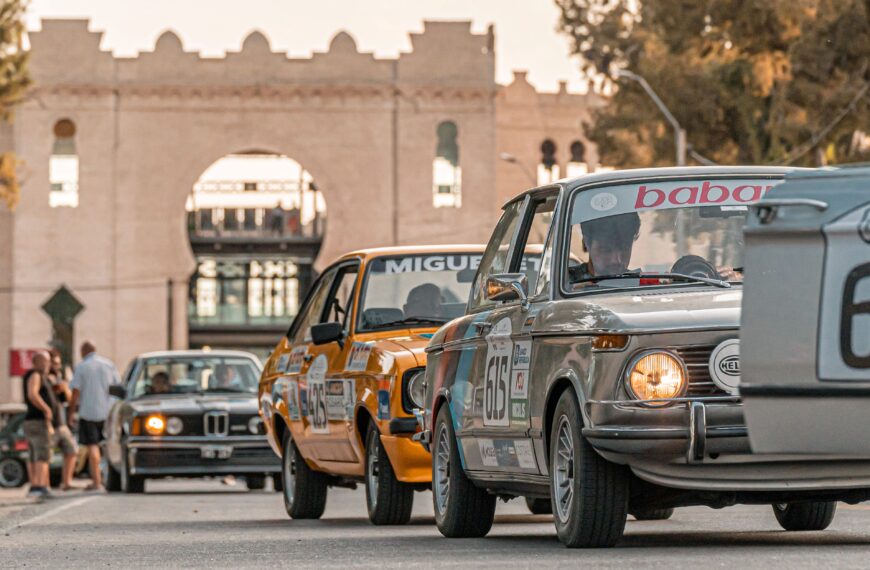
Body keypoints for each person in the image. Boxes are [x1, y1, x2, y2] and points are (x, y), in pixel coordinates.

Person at [69, 341, 121, 491]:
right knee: (107, 446)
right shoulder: (109, 365)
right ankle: (109, 478)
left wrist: (71, 413)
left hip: (88, 412)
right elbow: (117, 387)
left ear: (83, 351)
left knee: (92, 446)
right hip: (108, 412)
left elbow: (75, 392)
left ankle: (96, 480)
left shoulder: (82, 366)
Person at [22, 351, 55, 498]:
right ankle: (40, 486)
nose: (48, 364)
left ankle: (36, 485)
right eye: (45, 361)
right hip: (37, 420)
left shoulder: (34, 375)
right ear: (38, 362)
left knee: (35, 454)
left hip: (32, 421)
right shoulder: (35, 375)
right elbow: (32, 394)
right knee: (42, 453)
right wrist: (46, 409)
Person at [47, 350, 78, 490]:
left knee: (72, 450)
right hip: (48, 423)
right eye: (55, 363)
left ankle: (67, 482)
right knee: (46, 455)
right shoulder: (42, 378)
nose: (57, 366)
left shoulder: (58, 378)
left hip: (61, 422)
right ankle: (44, 484)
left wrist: (64, 387)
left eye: (58, 364)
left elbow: (67, 399)